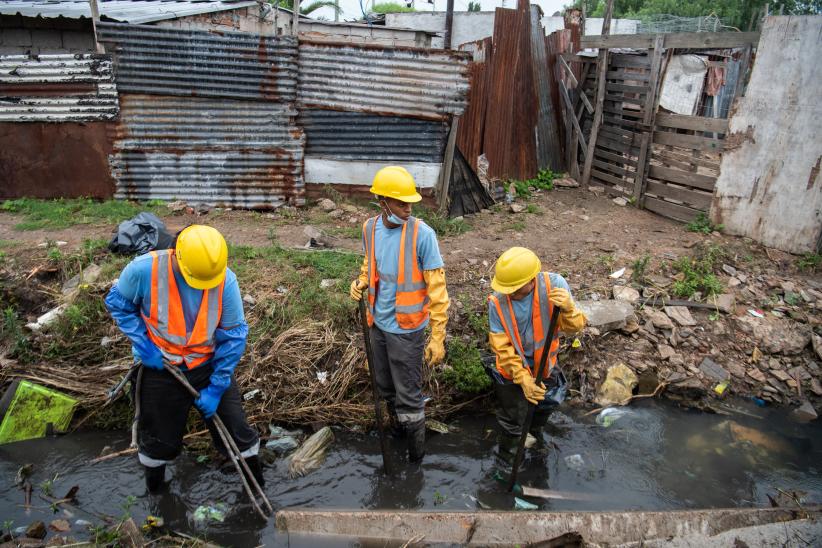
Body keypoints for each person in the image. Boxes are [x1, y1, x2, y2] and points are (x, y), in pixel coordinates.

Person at [105, 225, 263, 493]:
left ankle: (256, 495)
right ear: (175, 255)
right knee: (157, 440)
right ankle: (158, 500)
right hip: (160, 366)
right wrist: (143, 345)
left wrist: (217, 386)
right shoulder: (143, 270)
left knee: (237, 432)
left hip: (208, 364)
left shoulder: (225, 280)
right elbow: (119, 304)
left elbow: (233, 336)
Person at [349, 166, 450, 463]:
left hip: (406, 330)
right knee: (384, 386)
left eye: (410, 203)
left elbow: (438, 290)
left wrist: (438, 336)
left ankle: (415, 457)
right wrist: (362, 280)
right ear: (383, 202)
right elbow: (372, 262)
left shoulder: (423, 235)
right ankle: (396, 434)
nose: (408, 209)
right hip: (377, 324)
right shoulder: (369, 228)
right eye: (401, 203)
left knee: (408, 395)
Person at [486, 247, 586, 470]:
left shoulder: (555, 287)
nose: (509, 293)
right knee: (512, 420)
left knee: (543, 406)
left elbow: (575, 327)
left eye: (514, 288)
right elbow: (502, 348)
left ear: (531, 280)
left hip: (545, 365)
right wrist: (523, 379)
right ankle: (507, 461)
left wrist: (569, 309)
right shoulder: (497, 302)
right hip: (511, 369)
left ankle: (535, 435)